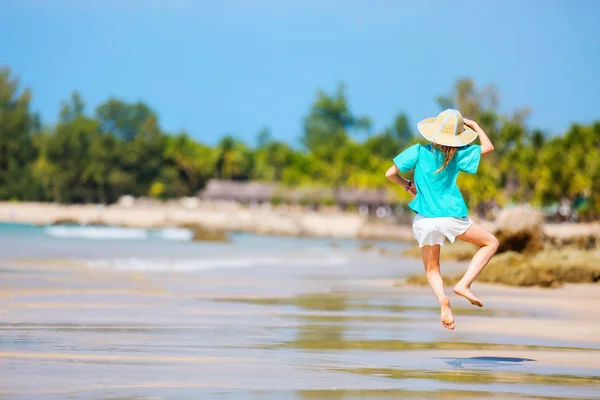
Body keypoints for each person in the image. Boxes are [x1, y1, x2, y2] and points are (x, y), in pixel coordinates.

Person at [385, 109, 499, 330]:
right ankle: (464, 284)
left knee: (432, 269)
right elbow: (488, 147)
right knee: (491, 243)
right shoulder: (458, 154)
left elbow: (390, 174)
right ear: (457, 135)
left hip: (424, 220)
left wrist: (408, 186)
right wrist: (474, 124)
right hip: (451, 217)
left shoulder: (418, 151)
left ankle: (442, 300)